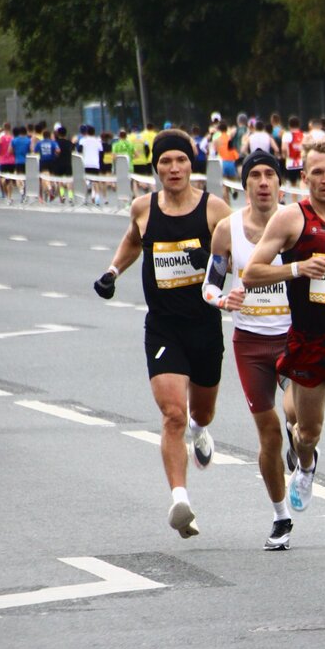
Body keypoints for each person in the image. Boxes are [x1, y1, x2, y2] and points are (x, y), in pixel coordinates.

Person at [92, 129, 232, 538]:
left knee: (200, 412)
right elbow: (133, 243)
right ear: (155, 168)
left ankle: (201, 430)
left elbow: (235, 259)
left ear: (192, 166)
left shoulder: (214, 209)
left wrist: (208, 260)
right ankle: (180, 500)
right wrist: (112, 272)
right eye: (166, 162)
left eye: (181, 161)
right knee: (173, 414)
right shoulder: (143, 208)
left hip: (205, 325)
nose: (174, 168)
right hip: (164, 325)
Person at [241, 141, 325, 548]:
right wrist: (298, 267)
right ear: (304, 178)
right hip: (308, 341)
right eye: (316, 172)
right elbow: (251, 273)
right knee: (308, 432)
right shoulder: (291, 219)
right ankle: (304, 464)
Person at [201, 151, 299, 550]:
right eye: (254, 176)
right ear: (244, 184)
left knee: (296, 416)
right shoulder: (227, 229)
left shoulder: (297, 223)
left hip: (295, 336)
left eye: (269, 175)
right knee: (269, 433)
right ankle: (280, 516)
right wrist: (221, 301)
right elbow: (210, 283)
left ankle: (304, 448)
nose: (262, 182)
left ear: (279, 183)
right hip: (251, 343)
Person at [77, 126, 105, 205]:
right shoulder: (98, 141)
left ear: (87, 132)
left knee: (85, 180)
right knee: (95, 181)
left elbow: (79, 150)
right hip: (95, 164)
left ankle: (85, 199)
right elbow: (101, 152)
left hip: (86, 163)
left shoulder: (83, 140)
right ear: (94, 132)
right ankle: (97, 198)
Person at [281, 116, 307, 187]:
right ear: (299, 124)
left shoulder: (286, 135)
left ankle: (294, 198)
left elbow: (283, 148)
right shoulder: (303, 135)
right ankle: (303, 197)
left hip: (291, 163)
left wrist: (284, 156)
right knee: (303, 181)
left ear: (289, 125)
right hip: (302, 163)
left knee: (293, 184)